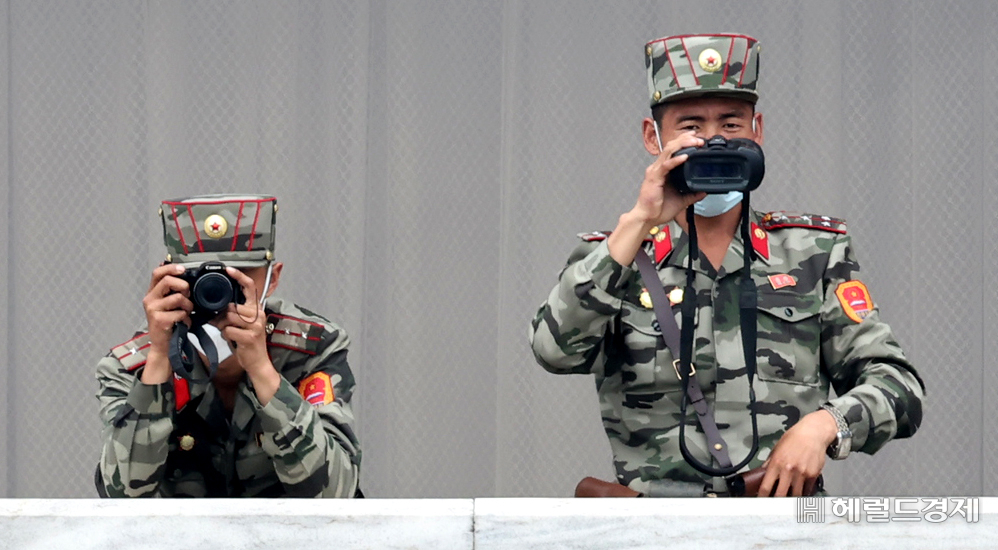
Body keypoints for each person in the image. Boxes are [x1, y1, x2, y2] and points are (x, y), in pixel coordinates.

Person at [529, 33, 924, 497]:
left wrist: (826, 426)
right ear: (651, 137)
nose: (713, 141)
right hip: (652, 533)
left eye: (731, 125)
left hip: (782, 529)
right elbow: (555, 352)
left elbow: (899, 386)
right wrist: (639, 221)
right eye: (691, 126)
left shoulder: (812, 253)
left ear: (758, 130)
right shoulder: (616, 256)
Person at [96, 194, 361, 497]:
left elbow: (337, 495)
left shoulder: (313, 350)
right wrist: (159, 358)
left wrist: (262, 369)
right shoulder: (132, 366)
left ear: (272, 279)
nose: (218, 294)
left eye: (239, 278)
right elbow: (120, 500)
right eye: (204, 279)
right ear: (166, 279)